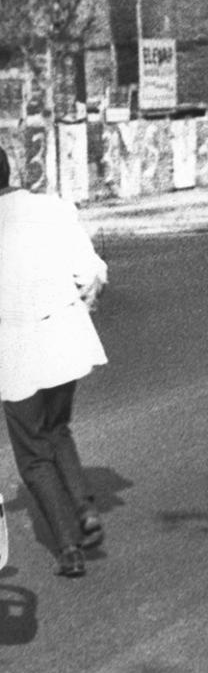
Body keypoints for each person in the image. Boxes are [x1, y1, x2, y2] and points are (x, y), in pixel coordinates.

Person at [0, 148, 109, 578]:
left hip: (15, 347)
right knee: (57, 428)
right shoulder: (52, 207)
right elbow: (90, 271)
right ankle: (84, 508)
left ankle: (68, 547)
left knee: (32, 454)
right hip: (65, 336)